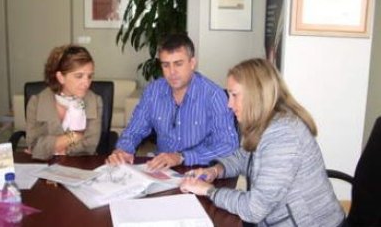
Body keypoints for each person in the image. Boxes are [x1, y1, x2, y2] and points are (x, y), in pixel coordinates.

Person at [180, 58, 345, 226]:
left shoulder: (283, 135)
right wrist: (216, 170)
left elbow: (254, 209)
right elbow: (243, 157)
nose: (229, 104)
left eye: (234, 95)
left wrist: (209, 191)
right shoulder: (264, 124)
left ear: (256, 95)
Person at [106, 34, 239, 170]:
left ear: (192, 63)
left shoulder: (214, 96)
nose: (172, 72)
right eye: (166, 65)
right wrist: (122, 150)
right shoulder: (153, 91)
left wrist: (182, 157)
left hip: (201, 170)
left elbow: (228, 146)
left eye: (178, 64)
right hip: (163, 170)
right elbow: (134, 130)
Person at [26, 45, 102, 160]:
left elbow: (90, 146)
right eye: (79, 76)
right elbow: (34, 145)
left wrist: (55, 149)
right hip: (45, 167)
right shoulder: (36, 102)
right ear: (61, 77)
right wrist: (74, 136)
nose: (86, 83)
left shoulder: (95, 101)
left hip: (81, 165)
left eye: (89, 76)